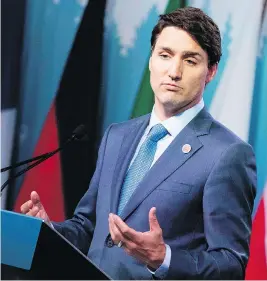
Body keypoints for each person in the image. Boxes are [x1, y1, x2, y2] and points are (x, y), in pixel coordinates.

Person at [20, 6, 256, 280]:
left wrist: (164, 258)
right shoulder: (117, 136)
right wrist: (49, 230)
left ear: (211, 71)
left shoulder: (228, 154)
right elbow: (88, 228)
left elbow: (229, 265)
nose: (174, 71)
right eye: (165, 55)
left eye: (190, 60)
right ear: (151, 60)